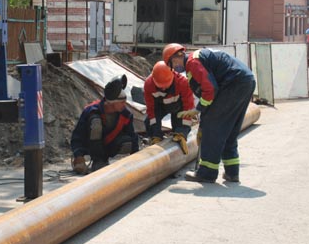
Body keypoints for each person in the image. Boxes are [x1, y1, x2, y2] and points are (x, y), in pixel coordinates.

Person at [163, 43, 256, 183]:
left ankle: (207, 173)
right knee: (229, 130)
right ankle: (232, 172)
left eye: (172, 64)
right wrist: (202, 113)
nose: (174, 68)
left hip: (233, 84)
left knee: (212, 129)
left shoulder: (193, 62)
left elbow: (210, 88)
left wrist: (199, 109)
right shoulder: (198, 58)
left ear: (178, 56)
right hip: (245, 81)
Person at [70, 74, 140, 174]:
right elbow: (77, 136)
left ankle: (104, 160)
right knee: (96, 123)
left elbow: (132, 136)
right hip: (91, 146)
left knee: (127, 142)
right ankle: (98, 161)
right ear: (112, 102)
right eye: (122, 102)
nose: (124, 105)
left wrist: (137, 158)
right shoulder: (91, 111)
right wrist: (78, 156)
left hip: (109, 145)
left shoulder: (126, 115)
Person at [143, 61, 196, 154]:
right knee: (148, 121)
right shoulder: (149, 85)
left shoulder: (183, 83)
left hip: (178, 108)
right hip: (159, 106)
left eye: (165, 86)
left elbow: (188, 108)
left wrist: (182, 132)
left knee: (178, 129)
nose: (163, 89)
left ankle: (179, 136)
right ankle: (155, 140)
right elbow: (151, 110)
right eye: (160, 86)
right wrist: (156, 135)